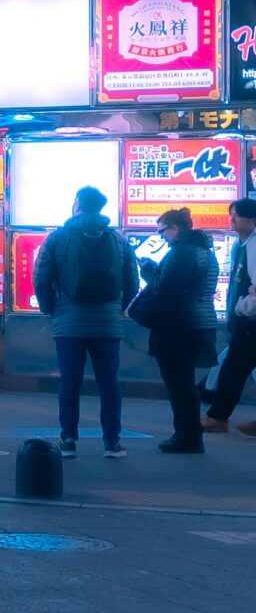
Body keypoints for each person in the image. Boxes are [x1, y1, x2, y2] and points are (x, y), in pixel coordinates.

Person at [31, 184, 140, 458]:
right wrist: (117, 309)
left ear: (77, 203)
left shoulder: (58, 238)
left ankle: (68, 440)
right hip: (108, 325)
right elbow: (133, 282)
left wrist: (52, 309)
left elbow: (41, 278)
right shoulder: (118, 240)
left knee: (69, 381)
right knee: (109, 382)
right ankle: (112, 442)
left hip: (68, 324)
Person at [141, 208, 220, 454]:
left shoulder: (182, 252)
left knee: (179, 383)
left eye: (162, 231)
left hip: (178, 326)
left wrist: (148, 272)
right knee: (184, 382)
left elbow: (166, 289)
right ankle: (189, 434)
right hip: (198, 323)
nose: (162, 236)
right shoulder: (205, 251)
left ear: (174, 228)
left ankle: (186, 436)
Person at [202, 199, 256, 437]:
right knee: (234, 367)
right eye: (230, 214)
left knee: (234, 368)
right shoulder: (243, 243)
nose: (231, 220)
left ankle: (217, 417)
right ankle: (218, 416)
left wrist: (243, 308)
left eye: (236, 215)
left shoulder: (254, 245)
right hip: (245, 320)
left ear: (252, 219)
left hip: (251, 321)